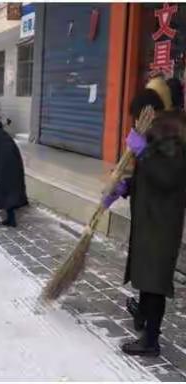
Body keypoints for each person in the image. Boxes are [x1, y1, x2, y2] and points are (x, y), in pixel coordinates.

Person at [102, 78, 186, 357]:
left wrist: (143, 152)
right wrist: (125, 187)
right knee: (147, 273)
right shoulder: (160, 128)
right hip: (150, 216)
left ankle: (150, 340)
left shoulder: (176, 131)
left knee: (155, 279)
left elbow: (169, 175)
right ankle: (144, 317)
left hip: (162, 219)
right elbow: (151, 174)